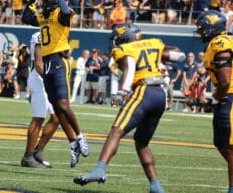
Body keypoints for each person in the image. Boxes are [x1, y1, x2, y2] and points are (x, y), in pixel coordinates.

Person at [74, 23, 186, 193]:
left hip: (144, 91)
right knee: (141, 143)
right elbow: (179, 56)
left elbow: (130, 66)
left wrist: (122, 91)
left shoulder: (124, 49)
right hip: (160, 95)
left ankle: (100, 169)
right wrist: (160, 51)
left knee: (116, 131)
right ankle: (155, 185)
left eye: (117, 38)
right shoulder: (154, 43)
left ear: (125, 37)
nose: (115, 42)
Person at [22, 0, 89, 168]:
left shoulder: (56, 16)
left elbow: (65, 12)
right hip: (44, 70)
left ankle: (74, 140)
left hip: (55, 63)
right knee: (51, 113)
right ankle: (31, 154)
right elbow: (26, 17)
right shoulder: (44, 20)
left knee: (60, 111)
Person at [195, 10, 233, 193]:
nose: (200, 31)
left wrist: (216, 98)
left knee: (230, 145)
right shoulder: (215, 43)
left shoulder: (221, 43)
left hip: (230, 96)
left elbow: (225, 81)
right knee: (220, 142)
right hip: (225, 96)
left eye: (202, 28)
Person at [21, 32, 60, 168]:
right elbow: (39, 63)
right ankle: (28, 156)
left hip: (47, 79)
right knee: (38, 118)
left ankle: (38, 151)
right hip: (39, 79)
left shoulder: (58, 34)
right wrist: (52, 79)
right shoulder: (40, 35)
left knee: (56, 117)